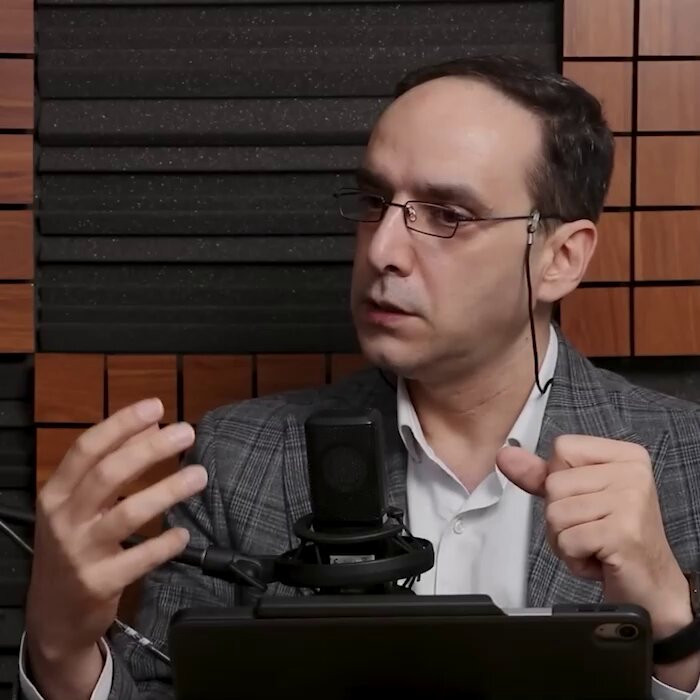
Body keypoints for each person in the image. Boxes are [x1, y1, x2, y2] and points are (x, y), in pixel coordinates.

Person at [19, 56, 700, 700]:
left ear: (560, 258)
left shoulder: (687, 462)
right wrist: (62, 650)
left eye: (448, 215)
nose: (382, 249)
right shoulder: (237, 461)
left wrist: (674, 636)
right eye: (375, 201)